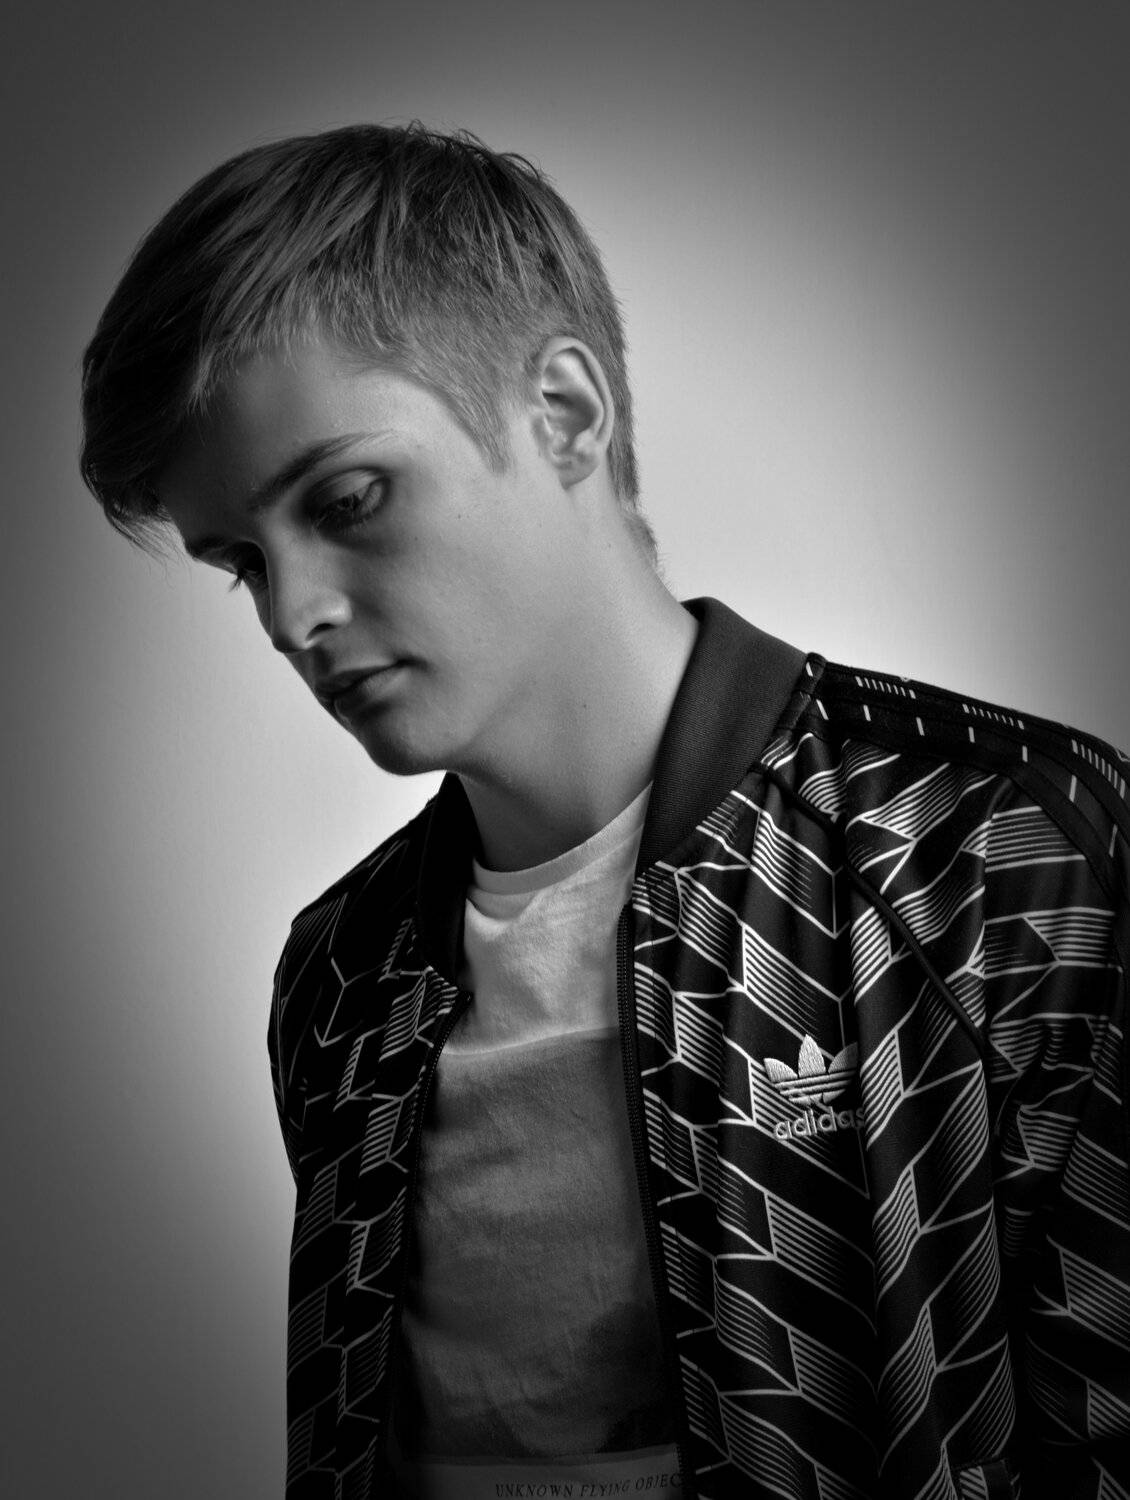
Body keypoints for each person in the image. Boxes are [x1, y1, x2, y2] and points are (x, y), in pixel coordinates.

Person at [79, 123, 1129, 1500]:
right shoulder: (337, 979)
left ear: (565, 414)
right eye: (241, 563)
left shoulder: (1001, 848)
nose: (294, 614)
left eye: (347, 499)